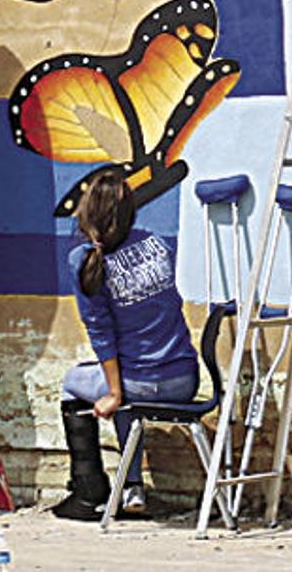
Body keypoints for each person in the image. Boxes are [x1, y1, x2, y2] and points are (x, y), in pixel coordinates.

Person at [53, 168, 199, 521]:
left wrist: (115, 393)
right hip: (185, 379)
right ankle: (131, 488)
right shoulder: (158, 244)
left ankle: (89, 493)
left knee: (75, 382)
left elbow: (101, 334)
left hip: (138, 383)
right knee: (123, 395)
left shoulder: (84, 260)